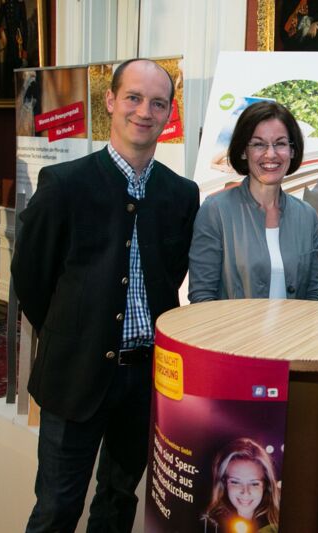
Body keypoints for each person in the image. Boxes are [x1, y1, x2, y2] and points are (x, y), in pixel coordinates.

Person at [11, 58, 199, 532]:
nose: (144, 111)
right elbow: (31, 277)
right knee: (57, 508)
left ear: (169, 112)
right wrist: (74, 332)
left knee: (118, 501)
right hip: (74, 374)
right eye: (133, 98)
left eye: (158, 103)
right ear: (110, 101)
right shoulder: (64, 185)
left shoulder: (181, 194)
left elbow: (170, 274)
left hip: (145, 378)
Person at [188, 100, 318, 303]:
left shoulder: (307, 215)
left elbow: (312, 295)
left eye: (280, 143)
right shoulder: (216, 211)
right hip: (232, 325)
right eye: (259, 144)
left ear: (292, 151)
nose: (271, 154)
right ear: (244, 151)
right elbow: (202, 295)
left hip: (294, 325)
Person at [204, 438, 280, 533]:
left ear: (266, 485)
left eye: (254, 483)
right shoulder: (208, 525)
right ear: (224, 483)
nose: (245, 492)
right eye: (235, 482)